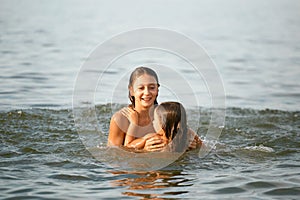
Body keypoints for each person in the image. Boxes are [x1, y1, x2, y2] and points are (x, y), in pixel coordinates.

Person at [107, 66, 200, 151]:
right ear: (131, 90)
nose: (147, 92)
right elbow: (113, 154)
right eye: (141, 88)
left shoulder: (163, 114)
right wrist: (143, 151)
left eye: (152, 87)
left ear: (157, 89)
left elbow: (184, 131)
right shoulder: (120, 119)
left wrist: (190, 143)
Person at [123, 101, 202, 152]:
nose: (153, 122)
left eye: (155, 120)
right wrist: (196, 147)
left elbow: (128, 147)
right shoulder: (188, 134)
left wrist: (134, 124)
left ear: (162, 125)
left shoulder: (153, 138)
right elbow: (203, 147)